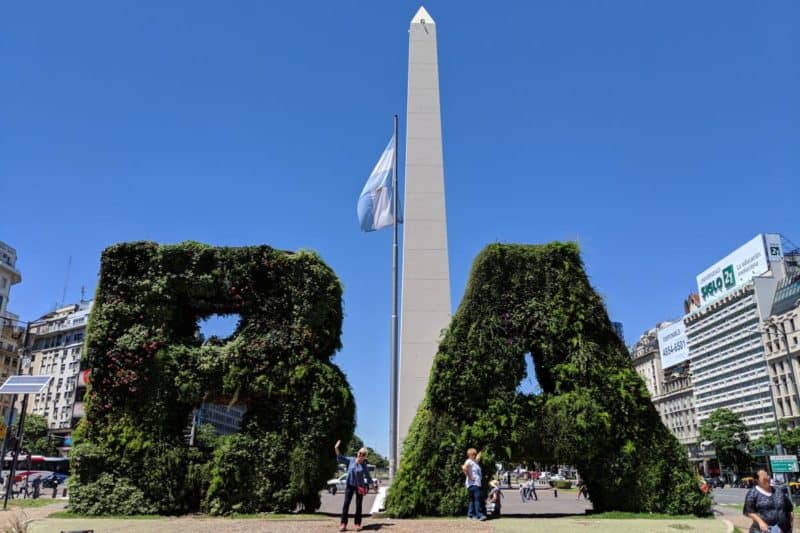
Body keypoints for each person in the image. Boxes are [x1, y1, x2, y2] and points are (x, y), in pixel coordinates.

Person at [334, 439, 373, 532]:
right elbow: (340, 457)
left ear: (365, 457)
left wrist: (370, 486)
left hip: (360, 486)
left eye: (363, 454)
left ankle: (357, 524)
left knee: (358, 506)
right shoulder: (351, 460)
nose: (361, 455)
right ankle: (343, 524)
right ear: (358, 453)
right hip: (350, 485)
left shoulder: (364, 465)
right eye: (360, 453)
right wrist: (336, 448)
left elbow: (368, 477)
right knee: (346, 504)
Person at [462, 448, 487, 521]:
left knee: (472, 500)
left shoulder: (475, 462)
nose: (475, 456)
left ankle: (470, 515)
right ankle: (479, 515)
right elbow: (464, 468)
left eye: (476, 454)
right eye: (474, 454)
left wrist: (481, 451)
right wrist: (470, 476)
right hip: (473, 484)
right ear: (470, 455)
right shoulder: (469, 461)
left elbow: (478, 457)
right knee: (477, 500)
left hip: (474, 484)